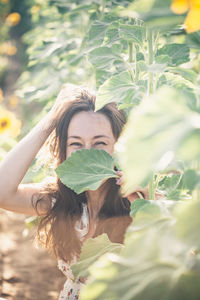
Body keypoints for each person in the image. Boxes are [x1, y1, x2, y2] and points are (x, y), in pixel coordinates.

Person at [0, 84, 148, 300]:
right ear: (64, 150)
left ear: (120, 146)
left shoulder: (142, 201)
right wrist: (51, 120)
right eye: (76, 144)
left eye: (99, 143)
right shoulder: (62, 199)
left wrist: (152, 207)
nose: (87, 155)